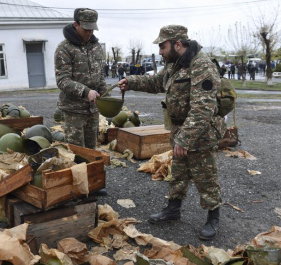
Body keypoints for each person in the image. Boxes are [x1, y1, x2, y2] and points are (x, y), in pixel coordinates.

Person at [118, 25, 226, 240]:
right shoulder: (173, 64)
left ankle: (213, 216)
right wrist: (131, 81)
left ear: (178, 44)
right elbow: (156, 82)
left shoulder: (201, 64)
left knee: (205, 176)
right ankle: (173, 209)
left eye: (162, 46)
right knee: (178, 172)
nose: (160, 52)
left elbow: (203, 108)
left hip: (201, 132)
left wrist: (185, 139)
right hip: (178, 128)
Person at [54, 8, 106, 149]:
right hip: (73, 111)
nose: (89, 33)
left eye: (92, 29)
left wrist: (106, 94)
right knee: (77, 153)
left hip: (93, 110)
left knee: (91, 151)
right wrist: (86, 91)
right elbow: (62, 80)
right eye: (86, 29)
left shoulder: (96, 47)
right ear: (76, 24)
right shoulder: (64, 48)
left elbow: (100, 75)